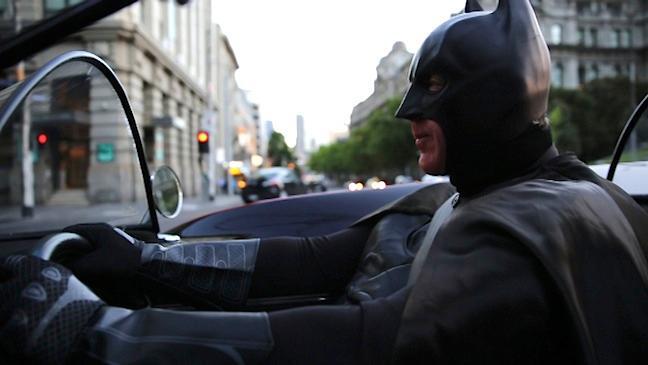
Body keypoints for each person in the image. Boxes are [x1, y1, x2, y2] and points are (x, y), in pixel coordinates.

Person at [2, 0, 647, 364]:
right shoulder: (483, 192)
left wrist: (95, 333)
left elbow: (366, 344)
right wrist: (145, 259)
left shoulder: (527, 229)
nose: (410, 113)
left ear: (494, 98)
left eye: (436, 89)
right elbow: (317, 259)